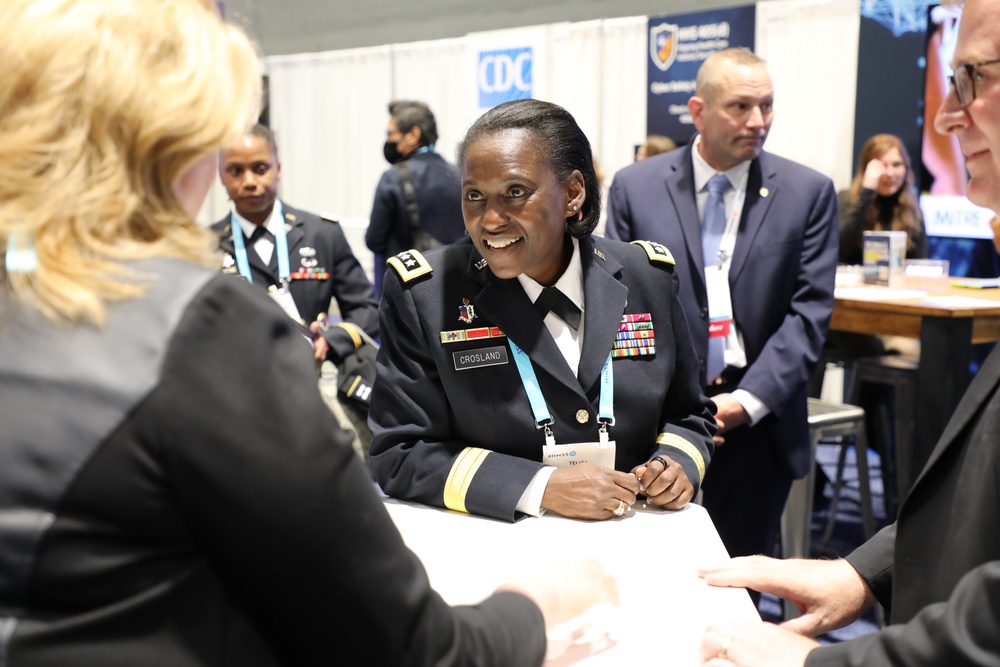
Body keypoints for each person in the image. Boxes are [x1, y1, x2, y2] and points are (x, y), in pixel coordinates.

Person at [0, 1, 620, 664]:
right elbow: (410, 649)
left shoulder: (34, 295)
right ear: (181, 144)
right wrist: (536, 599)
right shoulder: (199, 327)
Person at [697, 1, 1000, 663]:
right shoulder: (644, 188)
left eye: (973, 78)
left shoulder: (803, 192)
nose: (948, 116)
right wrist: (864, 572)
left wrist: (816, 660)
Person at [369, 99, 716, 523]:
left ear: (572, 193)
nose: (490, 220)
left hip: (635, 538)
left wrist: (675, 465)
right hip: (499, 550)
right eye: (474, 196)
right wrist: (540, 486)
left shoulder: (647, 277)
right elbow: (400, 453)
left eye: (515, 192)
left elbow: (689, 413)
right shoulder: (426, 293)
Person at [605, 47, 839, 562]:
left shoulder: (808, 193)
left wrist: (742, 404)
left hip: (758, 419)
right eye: (740, 107)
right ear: (698, 111)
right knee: (651, 575)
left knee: (740, 579)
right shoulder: (635, 187)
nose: (758, 122)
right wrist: (671, 404)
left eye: (767, 106)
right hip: (657, 421)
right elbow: (615, 302)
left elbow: (809, 314)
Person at [212, 124, 379, 365]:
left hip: (311, 378)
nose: (249, 181)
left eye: (260, 169)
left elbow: (367, 308)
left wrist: (334, 338)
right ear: (221, 175)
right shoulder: (204, 246)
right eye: (236, 171)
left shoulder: (322, 233)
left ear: (278, 169)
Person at [365, 100, 465, 294]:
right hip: (457, 286)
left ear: (413, 134)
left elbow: (374, 240)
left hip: (409, 292)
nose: (388, 141)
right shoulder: (460, 175)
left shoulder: (393, 178)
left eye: (391, 133)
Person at [838, 133, 927, 266]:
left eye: (896, 165)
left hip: (897, 285)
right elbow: (843, 247)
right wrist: (867, 192)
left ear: (906, 168)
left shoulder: (912, 208)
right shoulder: (846, 199)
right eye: (882, 165)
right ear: (866, 169)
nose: (890, 173)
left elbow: (919, 263)